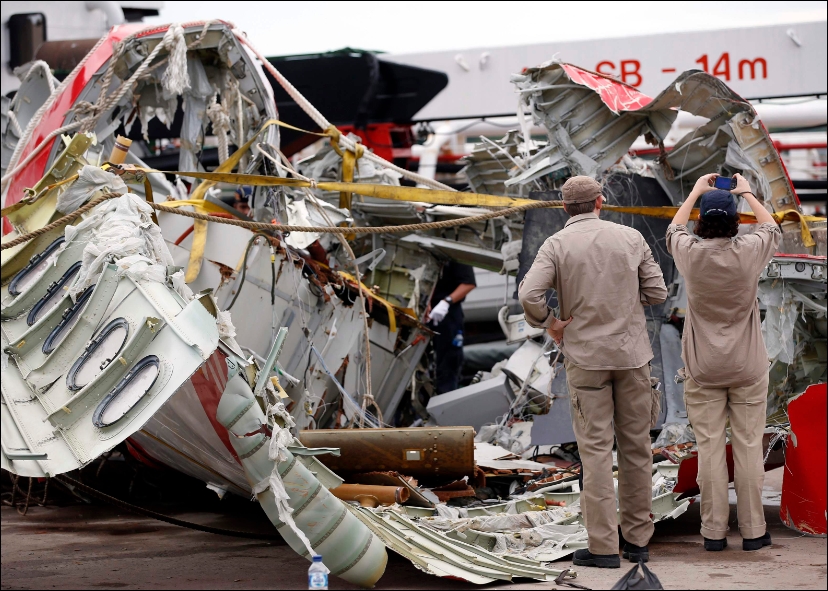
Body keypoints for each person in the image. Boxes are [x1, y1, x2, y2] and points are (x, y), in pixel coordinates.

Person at [519, 176, 667, 568]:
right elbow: (658, 293)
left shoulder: (556, 244)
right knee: (637, 448)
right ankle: (638, 542)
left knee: (596, 452)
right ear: (600, 201)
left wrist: (551, 322)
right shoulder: (631, 238)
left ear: (564, 207)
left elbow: (528, 294)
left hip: (585, 359)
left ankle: (603, 549)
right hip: (632, 357)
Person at [666, 173, 780, 552]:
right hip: (747, 367)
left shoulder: (691, 255)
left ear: (702, 221)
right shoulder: (749, 253)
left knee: (711, 449)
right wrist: (747, 191)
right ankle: (753, 531)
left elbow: (674, 228)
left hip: (703, 369)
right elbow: (771, 227)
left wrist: (696, 192)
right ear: (734, 222)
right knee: (747, 448)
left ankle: (713, 533)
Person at [426, 261, 477, 394]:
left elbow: (469, 283)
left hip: (447, 313)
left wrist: (446, 302)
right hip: (425, 311)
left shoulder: (455, 255)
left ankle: (446, 397)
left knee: (448, 363)